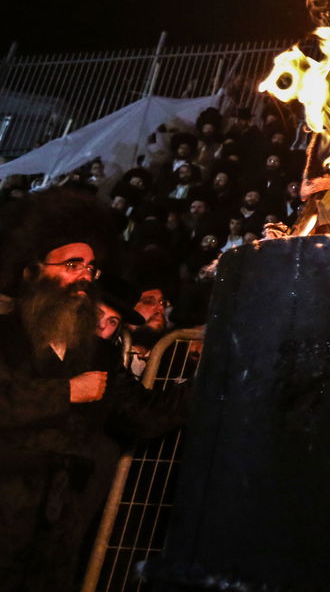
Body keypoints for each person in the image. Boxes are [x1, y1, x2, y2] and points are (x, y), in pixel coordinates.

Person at [0, 190, 189, 592]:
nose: (85, 275)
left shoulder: (96, 351)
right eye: (72, 264)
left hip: (62, 524)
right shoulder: (3, 335)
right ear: (33, 272)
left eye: (91, 268)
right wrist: (66, 392)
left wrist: (212, 375)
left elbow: (142, 416)